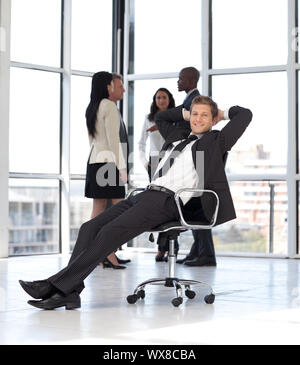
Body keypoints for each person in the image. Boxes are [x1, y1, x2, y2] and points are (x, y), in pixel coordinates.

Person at [19, 95, 252, 310]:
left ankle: (54, 285)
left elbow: (245, 115)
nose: (198, 119)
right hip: (144, 195)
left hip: (169, 201)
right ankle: (69, 291)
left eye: (204, 115)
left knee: (109, 232)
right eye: (194, 114)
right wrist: (189, 111)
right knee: (89, 228)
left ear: (213, 120)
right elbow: (161, 116)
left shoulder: (215, 141)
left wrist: (221, 113)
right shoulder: (177, 136)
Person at [163, 66, 217, 266]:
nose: (178, 82)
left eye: (180, 78)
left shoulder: (193, 102)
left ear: (191, 80)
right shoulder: (189, 101)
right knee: (194, 207)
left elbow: (188, 132)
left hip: (193, 161)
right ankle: (199, 251)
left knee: (196, 206)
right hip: (194, 160)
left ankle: (206, 254)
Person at [84, 71, 130, 269]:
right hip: (109, 163)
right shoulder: (109, 106)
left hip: (95, 162)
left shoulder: (92, 107)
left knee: (99, 210)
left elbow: (93, 140)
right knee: (120, 210)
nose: (115, 86)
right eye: (112, 83)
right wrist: (122, 168)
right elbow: (114, 140)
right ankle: (107, 252)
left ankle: (94, 251)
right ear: (106, 86)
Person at [138, 88, 177, 262]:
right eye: (158, 97)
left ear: (170, 99)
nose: (161, 100)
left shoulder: (176, 118)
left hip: (172, 162)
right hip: (154, 163)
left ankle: (169, 248)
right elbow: (140, 143)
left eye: (164, 97)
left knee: (171, 205)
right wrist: (144, 162)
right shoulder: (149, 119)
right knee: (157, 206)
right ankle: (162, 248)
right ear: (154, 100)